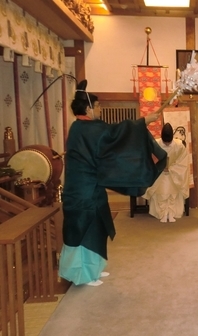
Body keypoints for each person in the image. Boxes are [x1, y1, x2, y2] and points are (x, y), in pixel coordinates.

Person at [58, 80, 167, 286]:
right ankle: (82, 275)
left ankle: (94, 270)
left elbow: (111, 136)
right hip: (82, 192)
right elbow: (115, 134)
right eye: (97, 106)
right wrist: (143, 121)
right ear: (88, 109)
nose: (99, 109)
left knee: (97, 227)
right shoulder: (84, 128)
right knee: (83, 231)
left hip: (92, 188)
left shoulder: (85, 127)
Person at [142, 123, 189, 222]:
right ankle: (162, 213)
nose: (167, 144)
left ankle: (171, 213)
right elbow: (148, 158)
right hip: (159, 174)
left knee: (173, 194)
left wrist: (171, 168)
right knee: (161, 194)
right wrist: (159, 167)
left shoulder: (179, 145)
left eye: (169, 142)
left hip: (174, 174)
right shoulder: (156, 144)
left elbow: (183, 161)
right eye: (165, 142)